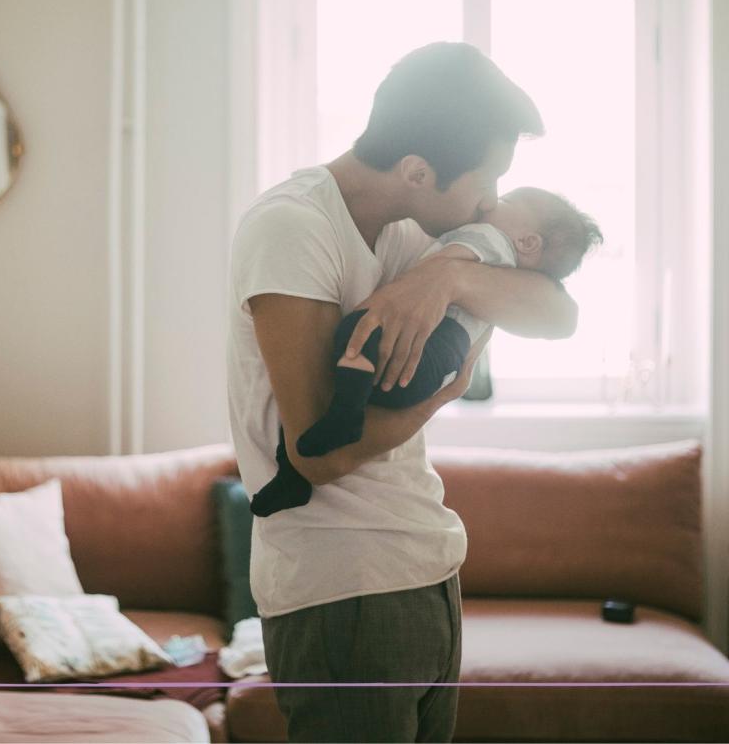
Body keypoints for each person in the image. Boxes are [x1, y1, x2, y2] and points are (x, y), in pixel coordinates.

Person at [225, 41, 579, 743]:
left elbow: (560, 316)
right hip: (343, 585)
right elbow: (319, 453)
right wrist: (441, 397)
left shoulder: (428, 233)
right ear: (418, 171)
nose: (493, 205)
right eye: (485, 186)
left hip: (427, 564)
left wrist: (447, 279)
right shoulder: (293, 229)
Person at [249, 186, 603, 518]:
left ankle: (332, 431)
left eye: (507, 199)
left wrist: (404, 293)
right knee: (337, 385)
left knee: (354, 341)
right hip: (440, 360)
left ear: (527, 241)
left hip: (437, 339)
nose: (491, 201)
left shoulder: (488, 239)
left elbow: (433, 273)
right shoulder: (505, 275)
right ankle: (324, 439)